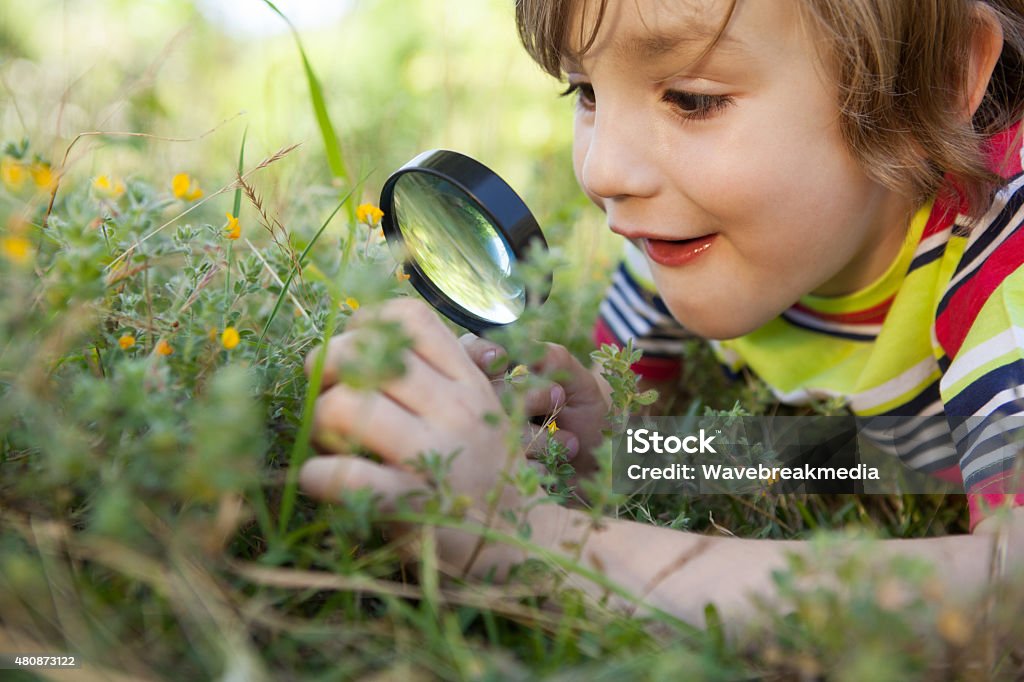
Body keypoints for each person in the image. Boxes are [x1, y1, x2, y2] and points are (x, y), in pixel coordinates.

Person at [299, 0, 1024, 628]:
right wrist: (619, 455)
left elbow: (1006, 598)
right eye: (585, 92)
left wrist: (536, 544)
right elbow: (864, 458)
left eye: (692, 98)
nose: (604, 171)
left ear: (937, 77)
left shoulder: (1004, 272)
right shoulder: (683, 238)